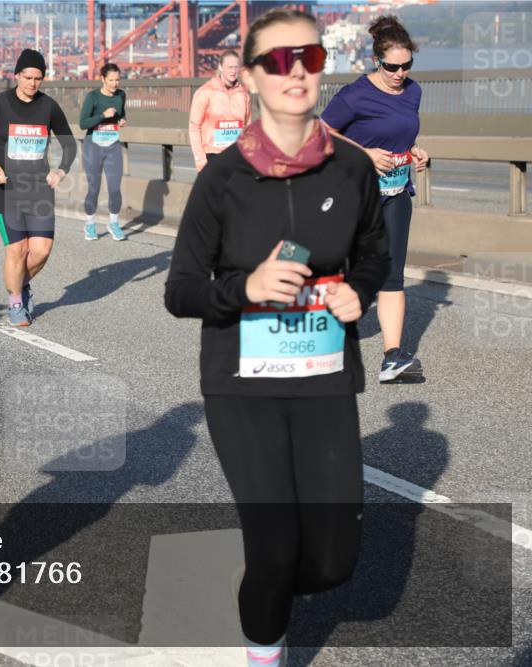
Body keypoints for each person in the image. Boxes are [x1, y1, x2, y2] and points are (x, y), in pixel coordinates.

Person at [165, 9, 390, 667]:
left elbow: (375, 250)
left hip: (323, 379)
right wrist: (246, 288)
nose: (298, 72)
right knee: (274, 547)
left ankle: (266, 590)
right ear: (254, 77)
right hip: (242, 385)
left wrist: (362, 288)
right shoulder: (222, 179)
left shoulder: (352, 170)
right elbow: (180, 290)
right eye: (280, 61)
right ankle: (265, 644)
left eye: (312, 59)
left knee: (333, 560)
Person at [322, 16, 428, 383]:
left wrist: (414, 150)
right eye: (391, 66)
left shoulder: (413, 92)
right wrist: (365, 155)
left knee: (392, 275)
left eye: (406, 65)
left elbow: (401, 130)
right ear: (376, 61)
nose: (400, 73)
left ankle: (392, 358)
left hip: (397, 193)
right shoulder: (354, 95)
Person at [0, 48, 76, 326]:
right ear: (17, 75)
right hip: (6, 190)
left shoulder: (49, 106)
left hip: (39, 189)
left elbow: (69, 143)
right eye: (27, 77)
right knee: (16, 252)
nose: (32, 83)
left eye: (38, 78)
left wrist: (61, 169)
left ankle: (20, 283)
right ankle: (16, 302)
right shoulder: (0, 103)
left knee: (41, 250)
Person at [79, 62, 127, 241]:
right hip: (94, 146)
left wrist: (122, 120)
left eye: (117, 80)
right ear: (103, 79)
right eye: (111, 80)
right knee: (94, 188)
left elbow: (122, 113)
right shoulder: (93, 97)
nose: (115, 84)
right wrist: (102, 116)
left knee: (114, 188)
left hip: (113, 145)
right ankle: (90, 224)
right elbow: (83, 123)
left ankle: (113, 222)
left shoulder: (121, 95)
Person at [188, 50, 251, 173]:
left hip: (236, 156)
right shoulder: (206, 92)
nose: (233, 71)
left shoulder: (244, 95)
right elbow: (194, 127)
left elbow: (247, 128)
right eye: (230, 67)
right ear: (221, 67)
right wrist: (200, 160)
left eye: (236, 67)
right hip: (212, 156)